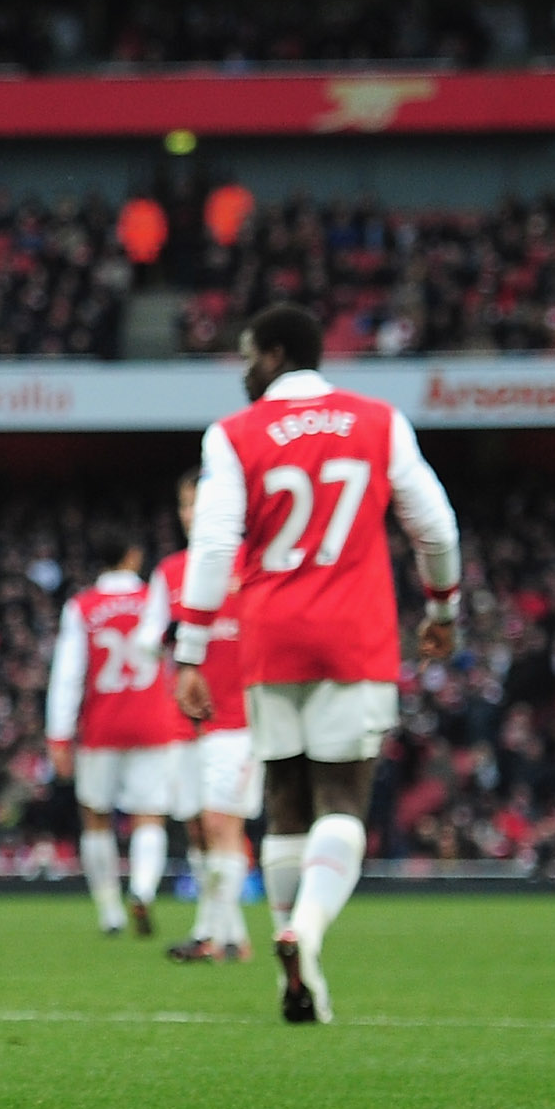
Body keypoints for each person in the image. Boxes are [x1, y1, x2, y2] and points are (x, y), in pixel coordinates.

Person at [172, 302, 461, 1024]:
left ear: (273, 352)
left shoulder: (233, 435)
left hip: (271, 638)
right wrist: (442, 609)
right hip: (354, 636)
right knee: (344, 799)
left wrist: (192, 649)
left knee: (287, 805)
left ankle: (292, 967)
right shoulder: (378, 420)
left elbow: (212, 548)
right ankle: (308, 932)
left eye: (246, 353)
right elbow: (436, 525)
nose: (242, 368)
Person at [46, 541, 189, 937]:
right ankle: (142, 890)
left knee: (96, 817)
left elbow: (68, 674)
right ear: (133, 555)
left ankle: (109, 910)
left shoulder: (82, 607)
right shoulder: (153, 599)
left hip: (101, 726)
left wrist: (58, 734)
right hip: (154, 723)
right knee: (149, 815)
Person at [145, 471, 255, 964]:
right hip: (181, 721)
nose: (191, 514)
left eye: (200, 504)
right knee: (195, 827)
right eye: (185, 505)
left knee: (220, 822)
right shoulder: (168, 572)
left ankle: (209, 934)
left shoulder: (253, 566)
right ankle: (232, 935)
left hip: (240, 719)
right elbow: (149, 643)